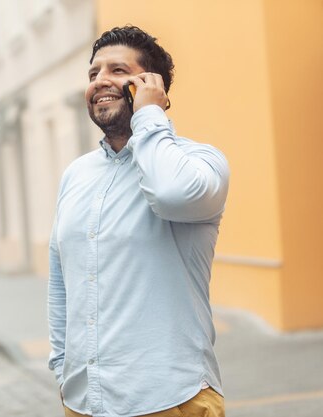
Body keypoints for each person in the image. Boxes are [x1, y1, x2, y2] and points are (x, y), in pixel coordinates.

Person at [47, 25, 229, 417]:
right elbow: (61, 277)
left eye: (117, 70)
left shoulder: (199, 163)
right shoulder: (75, 175)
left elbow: (169, 194)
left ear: (151, 84)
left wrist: (149, 114)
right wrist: (63, 368)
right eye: (93, 73)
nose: (100, 82)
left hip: (170, 398)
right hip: (84, 403)